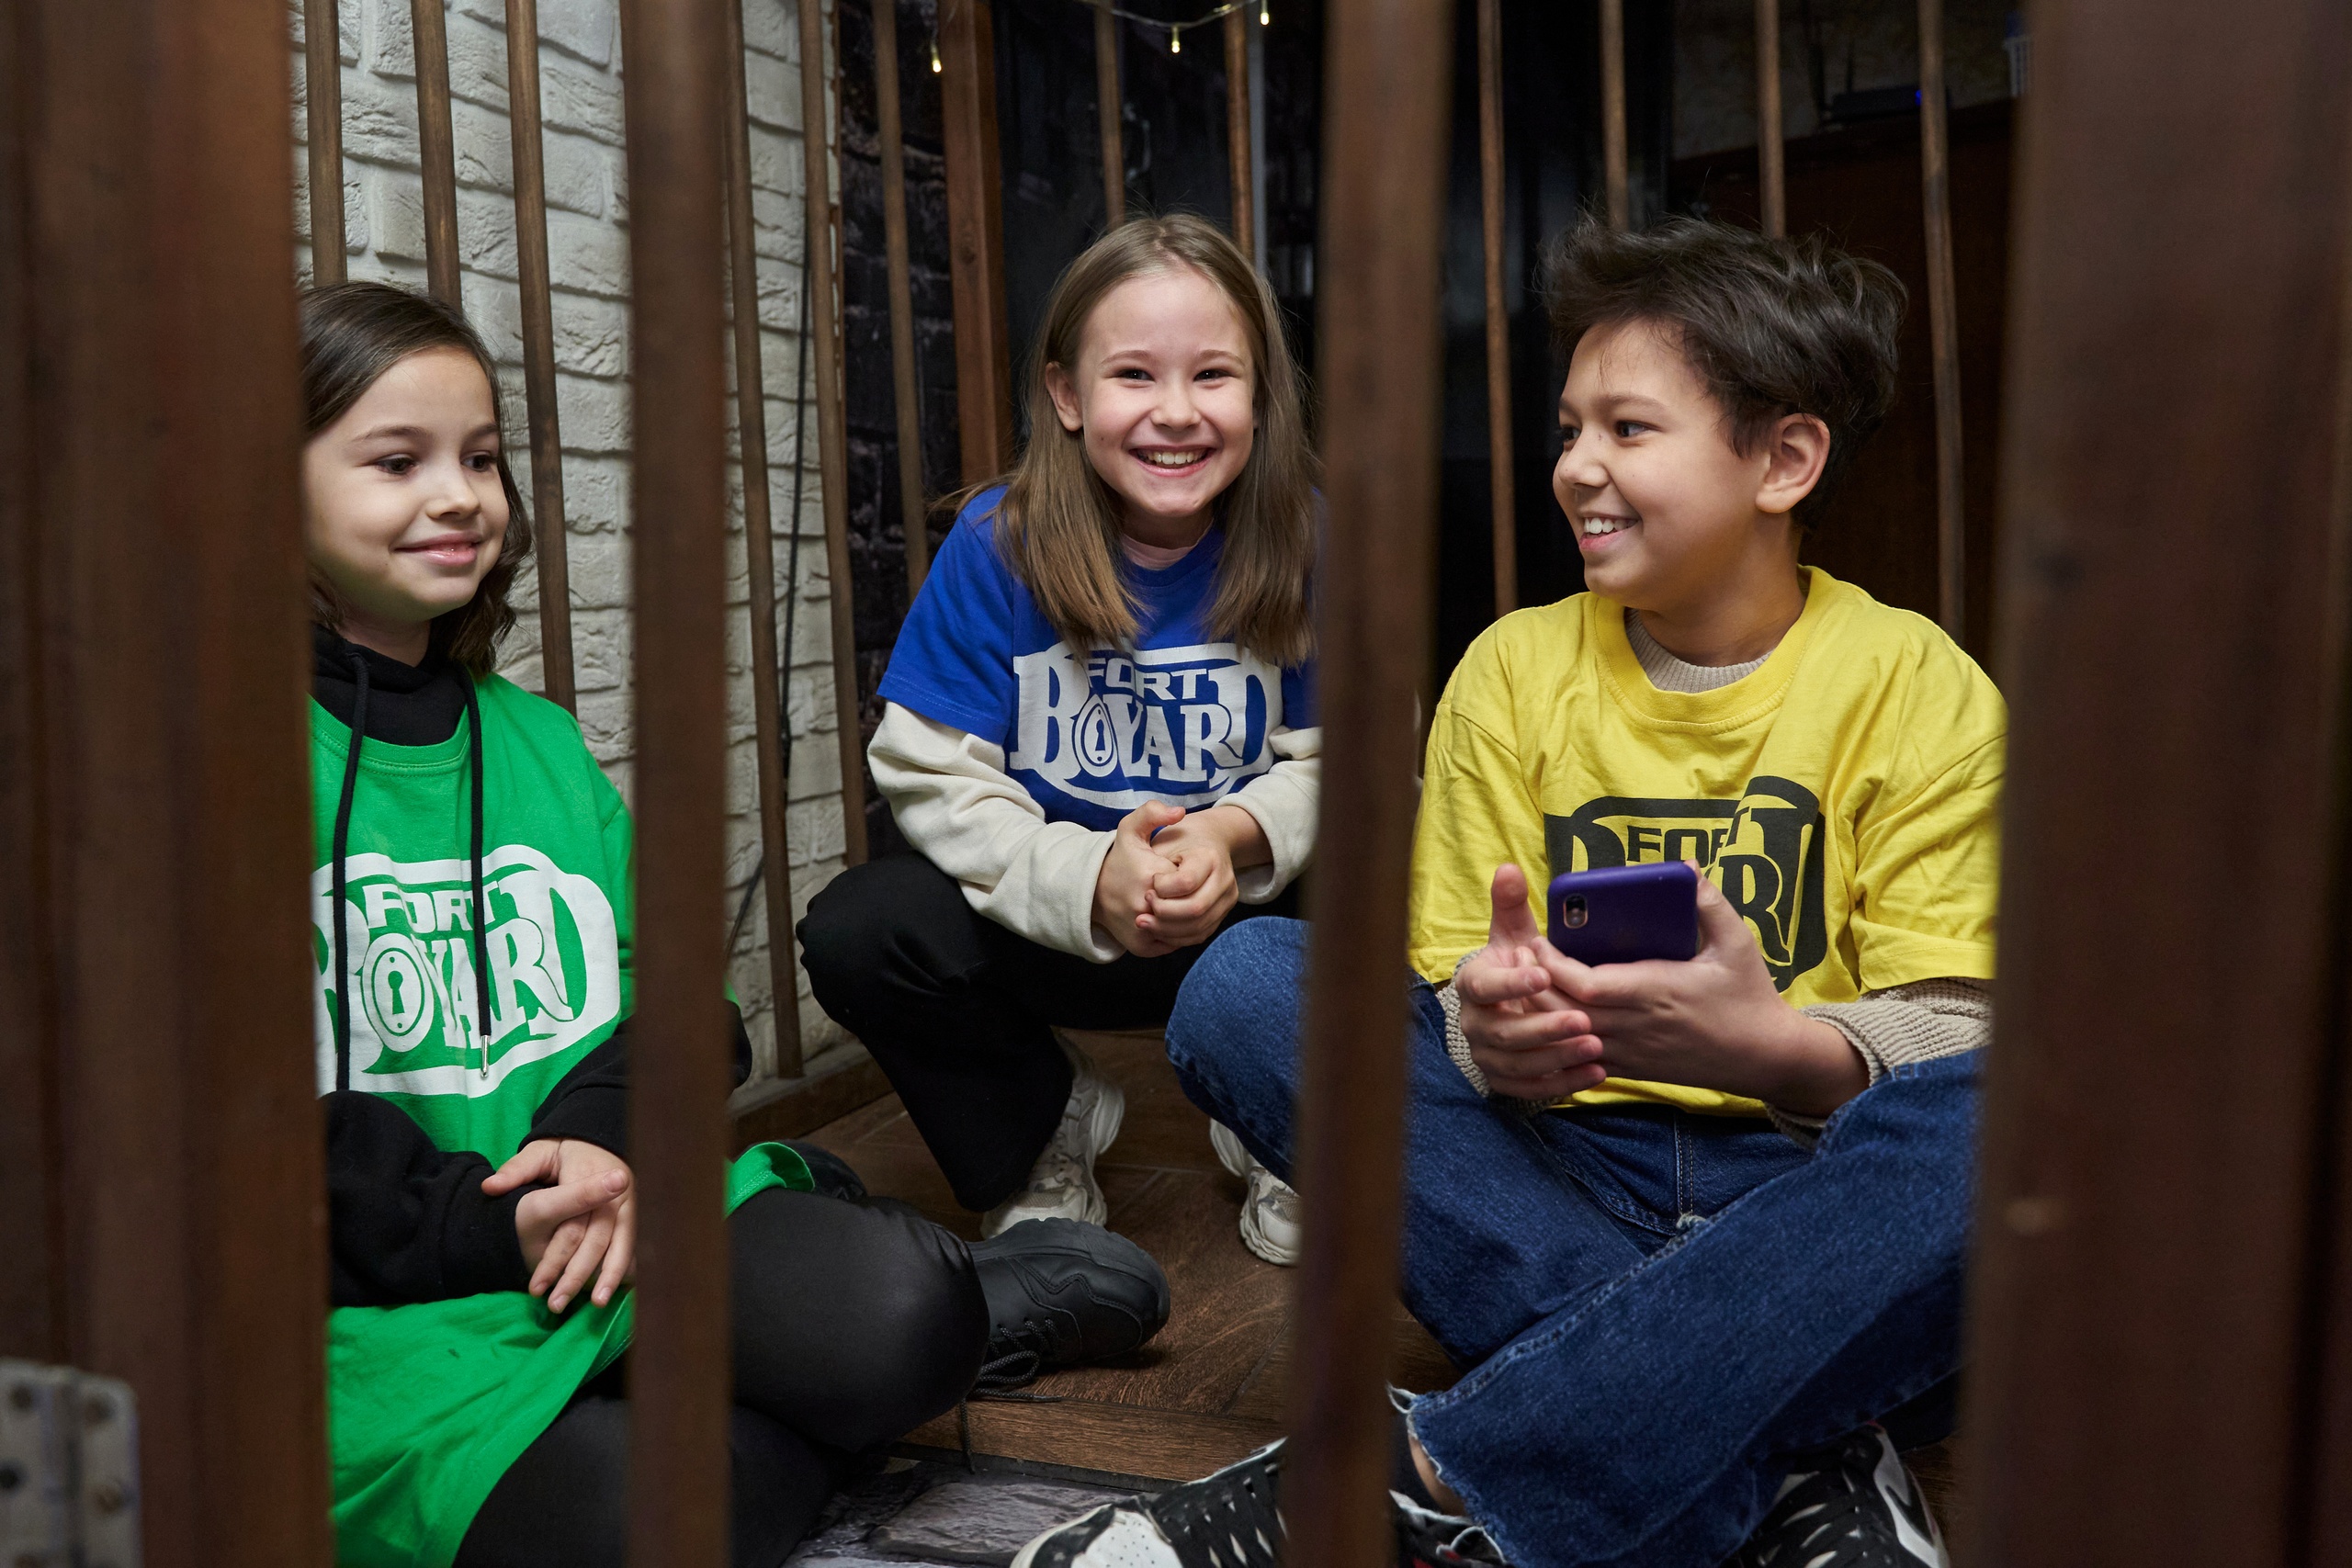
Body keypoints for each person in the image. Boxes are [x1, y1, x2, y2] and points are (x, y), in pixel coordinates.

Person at [1014, 218, 2001, 1568]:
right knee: (1247, 983)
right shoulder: (1512, 669)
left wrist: (1766, 1047)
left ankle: (1421, 1472)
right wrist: (1497, 1036)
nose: (1575, 466)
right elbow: (1454, 990)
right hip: (1560, 1175)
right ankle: (1781, 1436)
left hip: (1816, 1194)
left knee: (2013, 1109)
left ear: (1784, 460)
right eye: (1569, 427)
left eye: (1628, 429)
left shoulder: (1919, 682)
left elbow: (1952, 1036)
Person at [301, 281, 1168, 1568]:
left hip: (622, 1221)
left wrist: (597, 1148)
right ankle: (781, 1396)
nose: (460, 495)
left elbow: (682, 1011)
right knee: (640, 1518)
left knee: (906, 1309)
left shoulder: (537, 743)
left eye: (480, 458)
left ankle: (873, 1326)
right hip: (370, 1299)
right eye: (397, 461)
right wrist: (497, 1221)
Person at [799, 215, 1320, 1263]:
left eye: (1214, 375)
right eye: (1134, 374)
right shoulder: (998, 544)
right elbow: (927, 769)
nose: (1177, 411)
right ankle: (1039, 1121)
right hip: (1048, 922)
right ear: (1067, 397)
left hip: (1243, 927)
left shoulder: (1309, 539)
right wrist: (1088, 878)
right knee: (862, 927)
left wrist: (1230, 837)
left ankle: (1273, 1108)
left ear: (1261, 396)